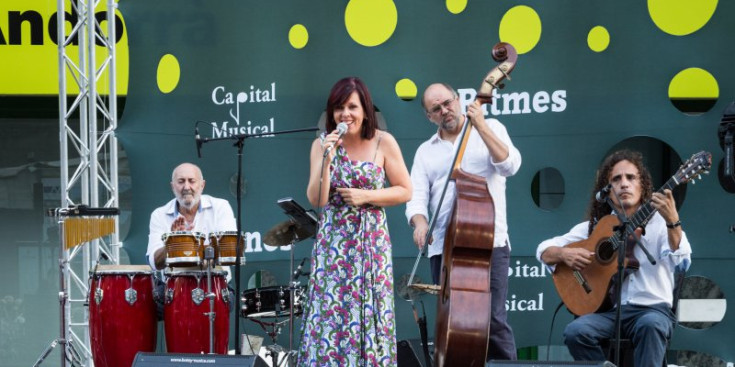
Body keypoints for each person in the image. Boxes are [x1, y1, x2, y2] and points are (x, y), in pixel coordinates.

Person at [536, 150, 692, 367]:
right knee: (576, 331)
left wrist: (673, 221)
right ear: (607, 191)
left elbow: (682, 259)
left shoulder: (659, 222)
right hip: (611, 314)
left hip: (651, 309)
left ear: (643, 185)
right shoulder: (597, 226)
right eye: (616, 179)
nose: (624, 184)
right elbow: (543, 249)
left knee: (651, 324)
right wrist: (565, 254)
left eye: (631, 177)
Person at [297, 77, 412, 366]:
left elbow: (405, 190)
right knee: (331, 313)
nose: (345, 114)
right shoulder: (320, 145)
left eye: (352, 106)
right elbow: (317, 199)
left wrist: (365, 196)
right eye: (338, 108)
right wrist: (327, 155)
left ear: (365, 110)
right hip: (334, 244)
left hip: (370, 241)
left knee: (369, 309)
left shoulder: (384, 142)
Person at [405, 83, 521, 360]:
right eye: (436, 108)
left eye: (448, 102)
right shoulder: (425, 151)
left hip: (488, 245)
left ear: (458, 99)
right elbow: (416, 198)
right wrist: (420, 223)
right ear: (429, 116)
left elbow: (510, 166)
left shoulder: (490, 127)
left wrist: (481, 125)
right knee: (452, 326)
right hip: (443, 249)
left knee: (493, 322)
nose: (445, 110)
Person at [146, 162, 236, 270]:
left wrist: (185, 244)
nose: (186, 187)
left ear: (202, 185)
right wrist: (172, 243)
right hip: (173, 284)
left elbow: (229, 249)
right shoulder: (159, 214)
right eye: (181, 181)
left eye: (192, 181)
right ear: (172, 186)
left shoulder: (220, 206)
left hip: (216, 283)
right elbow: (154, 262)